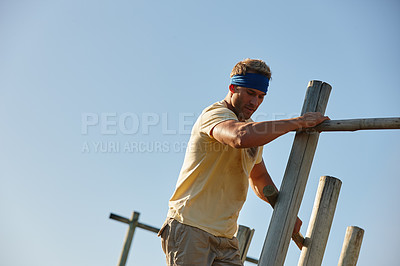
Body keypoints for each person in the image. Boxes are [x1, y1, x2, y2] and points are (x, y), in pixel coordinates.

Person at [158, 58, 329, 265]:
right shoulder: (215, 115)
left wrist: (285, 211)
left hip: (226, 238)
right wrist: (299, 123)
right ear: (232, 88)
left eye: (261, 96)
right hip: (191, 228)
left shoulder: (251, 129)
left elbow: (259, 177)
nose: (255, 103)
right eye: (250, 93)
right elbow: (239, 137)